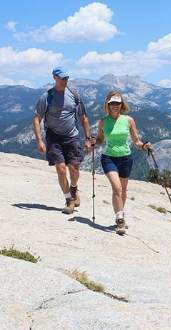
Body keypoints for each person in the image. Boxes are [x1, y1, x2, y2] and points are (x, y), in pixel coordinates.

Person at [32, 67, 92, 214]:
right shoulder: (47, 97)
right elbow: (36, 119)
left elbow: (83, 118)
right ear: (54, 78)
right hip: (54, 137)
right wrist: (39, 140)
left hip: (72, 136)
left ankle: (74, 188)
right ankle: (69, 200)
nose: (65, 81)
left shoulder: (74, 95)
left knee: (74, 169)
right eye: (62, 78)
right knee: (61, 169)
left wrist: (88, 138)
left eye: (66, 78)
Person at [92, 91, 151, 235]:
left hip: (126, 158)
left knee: (123, 191)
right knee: (117, 188)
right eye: (112, 103)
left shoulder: (129, 120)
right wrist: (94, 142)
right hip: (108, 158)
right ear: (108, 104)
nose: (115, 106)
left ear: (121, 104)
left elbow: (136, 141)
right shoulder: (103, 122)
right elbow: (100, 139)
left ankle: (120, 214)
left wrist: (144, 146)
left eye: (117, 103)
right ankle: (120, 220)